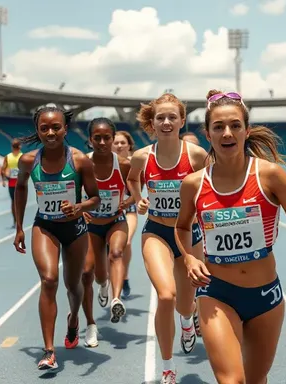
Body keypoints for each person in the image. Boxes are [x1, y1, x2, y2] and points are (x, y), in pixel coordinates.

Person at [175, 90, 286, 384]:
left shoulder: (270, 176)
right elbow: (182, 226)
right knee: (231, 381)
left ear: (247, 131)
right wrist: (188, 258)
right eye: (218, 127)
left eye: (235, 125)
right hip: (216, 292)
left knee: (255, 379)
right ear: (208, 134)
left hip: (265, 296)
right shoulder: (193, 184)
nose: (227, 133)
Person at [126, 93, 208, 383]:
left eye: (172, 116)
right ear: (153, 122)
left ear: (182, 121)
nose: (166, 121)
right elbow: (132, 177)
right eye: (160, 117)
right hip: (156, 232)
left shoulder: (196, 156)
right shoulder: (141, 156)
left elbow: (211, 187)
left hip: (189, 235)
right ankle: (169, 366)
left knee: (185, 304)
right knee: (165, 295)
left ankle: (188, 321)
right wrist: (138, 199)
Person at [12, 104, 101, 370]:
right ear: (38, 131)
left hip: (74, 228)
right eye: (44, 128)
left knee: (73, 286)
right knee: (49, 279)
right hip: (46, 225)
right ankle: (49, 351)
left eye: (55, 127)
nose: (50, 132)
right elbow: (20, 188)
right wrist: (19, 227)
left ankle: (74, 318)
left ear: (65, 128)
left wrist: (80, 207)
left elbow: (96, 198)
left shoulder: (80, 160)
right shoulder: (29, 160)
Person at [80, 118, 135, 347]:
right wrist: (79, 208)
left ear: (113, 139)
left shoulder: (123, 165)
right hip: (92, 225)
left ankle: (115, 299)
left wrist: (126, 203)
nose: (102, 142)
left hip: (115, 221)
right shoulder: (82, 164)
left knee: (116, 253)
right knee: (88, 272)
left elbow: (138, 193)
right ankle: (91, 323)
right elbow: (72, 192)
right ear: (90, 140)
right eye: (97, 138)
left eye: (107, 138)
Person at [112, 130, 137, 298]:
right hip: (106, 212)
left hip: (128, 210)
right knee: (110, 250)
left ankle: (125, 276)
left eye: (123, 142)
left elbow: (138, 192)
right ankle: (110, 278)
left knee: (126, 242)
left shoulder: (135, 163)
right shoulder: (101, 162)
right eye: (116, 142)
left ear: (129, 145)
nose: (120, 145)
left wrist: (127, 202)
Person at [1, 139, 23, 228]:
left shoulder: (8, 157)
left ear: (12, 147)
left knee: (14, 202)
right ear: (20, 146)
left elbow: (3, 169)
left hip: (12, 183)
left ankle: (15, 221)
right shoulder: (23, 156)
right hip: (21, 182)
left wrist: (4, 179)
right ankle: (19, 221)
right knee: (21, 202)